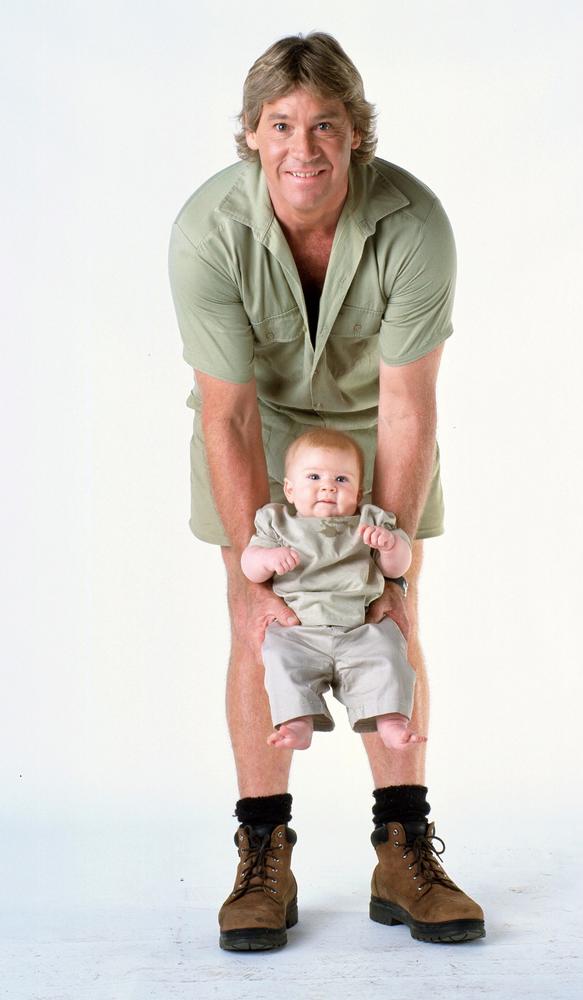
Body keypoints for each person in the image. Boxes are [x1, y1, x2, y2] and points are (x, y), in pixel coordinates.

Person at [169, 31, 485, 950]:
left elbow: (407, 409)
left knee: (389, 617)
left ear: (356, 135)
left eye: (325, 125)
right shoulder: (208, 232)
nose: (303, 148)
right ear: (252, 135)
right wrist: (262, 566)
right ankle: (263, 855)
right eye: (281, 125)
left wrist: (383, 548)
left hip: (370, 440)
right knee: (257, 621)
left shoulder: (415, 225)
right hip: (257, 434)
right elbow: (224, 416)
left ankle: (403, 850)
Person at [241, 428, 426, 750]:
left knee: (388, 657)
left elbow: (397, 569)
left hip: (361, 627)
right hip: (298, 631)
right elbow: (249, 567)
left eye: (341, 480)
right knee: (280, 659)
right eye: (313, 476)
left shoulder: (369, 522)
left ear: (358, 493)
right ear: (289, 489)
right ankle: (296, 723)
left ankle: (392, 721)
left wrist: (390, 545)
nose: (327, 485)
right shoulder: (277, 523)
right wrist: (267, 558)